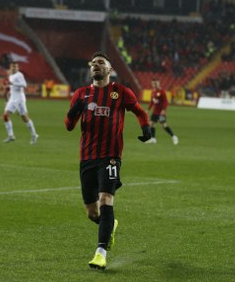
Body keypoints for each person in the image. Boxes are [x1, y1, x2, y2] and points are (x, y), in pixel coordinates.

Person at [65, 51, 151, 270]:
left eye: (101, 63)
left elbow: (139, 111)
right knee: (93, 212)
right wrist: (75, 109)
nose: (95, 66)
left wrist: (146, 128)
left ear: (110, 70)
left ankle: (100, 253)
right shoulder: (81, 94)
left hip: (110, 157)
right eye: (93, 63)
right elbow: (68, 125)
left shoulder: (120, 92)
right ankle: (109, 224)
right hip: (86, 158)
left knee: (105, 200)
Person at [2, 62, 39, 144]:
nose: (14, 68)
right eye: (12, 66)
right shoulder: (11, 76)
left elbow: (24, 85)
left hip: (19, 99)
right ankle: (11, 136)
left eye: (15, 67)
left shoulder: (19, 75)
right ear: (10, 67)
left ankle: (34, 135)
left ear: (18, 68)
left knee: (24, 117)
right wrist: (7, 98)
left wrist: (13, 84)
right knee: (5, 116)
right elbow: (12, 88)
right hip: (12, 98)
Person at [145, 78, 179, 145]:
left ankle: (174, 137)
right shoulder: (153, 92)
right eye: (153, 83)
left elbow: (166, 102)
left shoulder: (162, 91)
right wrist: (148, 109)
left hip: (161, 112)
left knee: (163, 125)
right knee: (151, 124)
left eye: (156, 83)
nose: (154, 85)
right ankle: (153, 139)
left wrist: (163, 110)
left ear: (158, 83)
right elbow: (152, 102)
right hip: (155, 112)